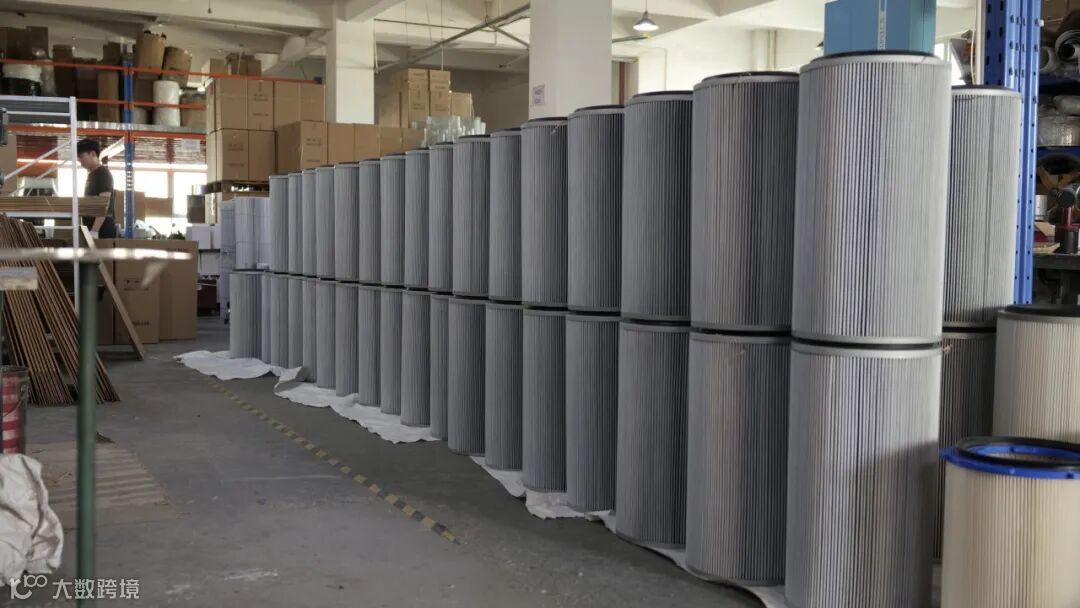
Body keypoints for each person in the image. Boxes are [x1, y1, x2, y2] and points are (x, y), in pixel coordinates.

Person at [76, 138, 118, 238]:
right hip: (93, 228)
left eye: (82, 156)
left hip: (101, 231)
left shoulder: (102, 173)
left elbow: (104, 205)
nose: (80, 160)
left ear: (93, 154)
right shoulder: (92, 174)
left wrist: (94, 231)